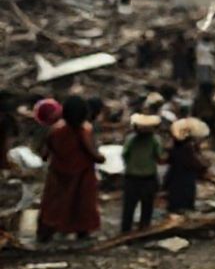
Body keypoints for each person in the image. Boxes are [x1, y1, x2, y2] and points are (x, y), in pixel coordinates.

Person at [37, 95, 105, 242]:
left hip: (58, 173)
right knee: (82, 204)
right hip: (82, 174)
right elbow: (91, 152)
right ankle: (82, 231)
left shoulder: (55, 130)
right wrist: (101, 158)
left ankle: (46, 232)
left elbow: (45, 152)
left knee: (54, 204)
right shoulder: (83, 131)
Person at [120, 113, 164, 232]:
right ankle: (144, 229)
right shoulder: (155, 140)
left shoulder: (131, 139)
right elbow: (159, 158)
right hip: (148, 177)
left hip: (131, 177)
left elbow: (124, 155)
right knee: (147, 207)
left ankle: (126, 231)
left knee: (129, 207)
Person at [165, 117, 210, 213]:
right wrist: (204, 165)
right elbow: (196, 163)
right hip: (185, 178)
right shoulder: (188, 147)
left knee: (175, 200)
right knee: (184, 201)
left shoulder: (175, 145)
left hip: (174, 177)